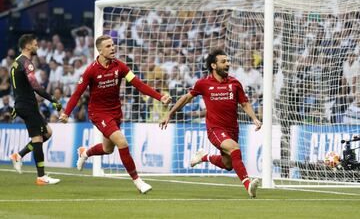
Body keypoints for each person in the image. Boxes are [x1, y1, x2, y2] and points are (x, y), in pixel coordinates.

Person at [59, 35, 171, 194]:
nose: (113, 48)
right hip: (98, 113)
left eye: (113, 45)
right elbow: (77, 93)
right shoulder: (91, 70)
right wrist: (66, 113)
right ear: (99, 50)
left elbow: (138, 84)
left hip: (115, 112)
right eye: (108, 46)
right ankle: (138, 182)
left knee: (107, 148)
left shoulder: (120, 66)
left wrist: (160, 97)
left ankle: (85, 152)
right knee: (122, 142)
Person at [159, 48, 262, 198]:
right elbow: (186, 98)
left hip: (233, 129)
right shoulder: (203, 83)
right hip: (215, 129)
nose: (228, 64)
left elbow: (245, 103)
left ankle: (203, 157)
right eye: (223, 61)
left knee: (228, 164)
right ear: (214, 66)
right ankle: (248, 186)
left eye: (228, 61)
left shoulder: (235, 83)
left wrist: (254, 118)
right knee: (234, 148)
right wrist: (170, 114)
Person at [9, 34, 62, 185]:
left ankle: (18, 155)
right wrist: (53, 100)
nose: (37, 46)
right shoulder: (27, 63)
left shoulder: (15, 63)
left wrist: (17, 105)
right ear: (27, 46)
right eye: (35, 44)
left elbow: (17, 86)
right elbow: (35, 86)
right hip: (27, 105)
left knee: (47, 133)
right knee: (38, 139)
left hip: (22, 104)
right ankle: (41, 177)